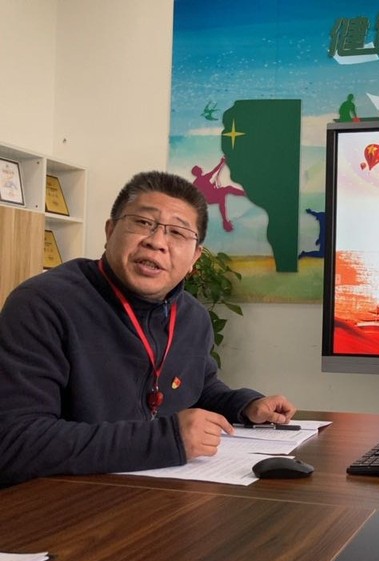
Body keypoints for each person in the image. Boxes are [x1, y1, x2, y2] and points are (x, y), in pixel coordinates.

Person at [0, 171, 296, 487]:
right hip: (59, 501)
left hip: (151, 493)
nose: (156, 242)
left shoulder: (192, 317)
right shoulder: (43, 304)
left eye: (178, 233)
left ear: (195, 257)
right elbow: (14, 441)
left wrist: (244, 405)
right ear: (110, 230)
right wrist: (166, 440)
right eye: (142, 222)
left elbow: (197, 386)